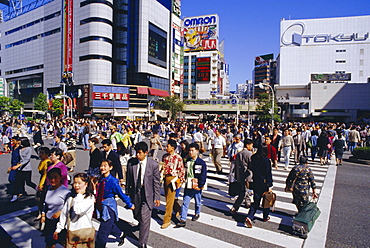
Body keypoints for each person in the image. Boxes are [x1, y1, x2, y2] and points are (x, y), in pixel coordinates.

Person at [126, 141, 160, 248]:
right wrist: (127, 193)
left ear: (146, 152)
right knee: (137, 214)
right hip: (135, 193)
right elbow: (128, 179)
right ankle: (139, 223)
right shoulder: (131, 163)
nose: (137, 155)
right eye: (136, 152)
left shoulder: (153, 164)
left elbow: (156, 182)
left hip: (148, 194)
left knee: (145, 218)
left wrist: (157, 197)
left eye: (140, 153)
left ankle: (142, 242)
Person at [95, 160, 134, 248]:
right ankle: (120, 234)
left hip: (108, 208)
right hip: (100, 205)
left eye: (105, 166)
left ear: (110, 167)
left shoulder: (113, 181)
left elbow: (121, 194)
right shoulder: (101, 178)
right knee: (109, 225)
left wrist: (130, 204)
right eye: (101, 166)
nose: (102, 168)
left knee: (102, 234)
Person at [54, 173, 95, 248]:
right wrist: (59, 228)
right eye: (75, 183)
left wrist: (79, 195)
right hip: (71, 232)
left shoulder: (89, 198)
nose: (76, 185)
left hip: (84, 232)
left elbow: (78, 211)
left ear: (86, 184)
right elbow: (64, 213)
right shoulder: (71, 197)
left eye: (79, 183)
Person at [176, 143, 207, 227]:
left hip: (197, 184)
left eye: (193, 150)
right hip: (188, 184)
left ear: (197, 151)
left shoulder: (201, 162)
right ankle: (183, 219)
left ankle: (197, 213)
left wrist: (201, 185)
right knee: (185, 201)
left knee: (198, 201)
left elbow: (203, 174)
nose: (191, 152)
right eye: (189, 150)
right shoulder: (187, 160)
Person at [41, 168, 70, 248]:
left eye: (55, 177)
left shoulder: (65, 192)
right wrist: (43, 214)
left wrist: (60, 212)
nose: (53, 180)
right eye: (50, 178)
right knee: (49, 242)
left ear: (60, 177)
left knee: (63, 242)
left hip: (60, 221)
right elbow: (45, 203)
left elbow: (69, 207)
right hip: (49, 220)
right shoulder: (48, 188)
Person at [245, 146, 273, 228]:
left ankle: (250, 216)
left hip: (256, 181)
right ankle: (265, 216)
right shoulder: (266, 160)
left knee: (256, 200)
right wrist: (270, 184)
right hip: (264, 183)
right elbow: (268, 173)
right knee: (266, 200)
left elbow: (250, 168)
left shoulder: (254, 158)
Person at [161, 139, 185, 229]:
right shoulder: (165, 156)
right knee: (168, 197)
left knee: (168, 201)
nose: (166, 147)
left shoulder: (178, 157)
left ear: (173, 147)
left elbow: (181, 170)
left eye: (168, 146)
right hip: (165, 177)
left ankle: (167, 220)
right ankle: (177, 208)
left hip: (173, 179)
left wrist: (180, 181)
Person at [10, 137, 37, 202]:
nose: (19, 142)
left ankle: (38, 189)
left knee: (28, 182)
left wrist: (18, 165)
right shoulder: (19, 148)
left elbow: (27, 159)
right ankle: (14, 195)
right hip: (20, 169)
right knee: (17, 182)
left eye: (20, 141)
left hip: (27, 168)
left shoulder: (28, 149)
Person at [230, 139, 253, 214]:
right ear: (247, 145)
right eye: (251, 145)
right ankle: (235, 207)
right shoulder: (249, 154)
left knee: (243, 190)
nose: (251, 147)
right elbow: (251, 165)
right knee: (243, 191)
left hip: (239, 175)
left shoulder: (239, 153)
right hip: (247, 175)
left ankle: (247, 202)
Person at [35, 147, 51, 221]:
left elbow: (44, 174)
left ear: (47, 155)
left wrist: (41, 185)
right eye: (40, 153)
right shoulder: (42, 161)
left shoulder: (46, 162)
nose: (40, 154)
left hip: (44, 182)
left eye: (42, 153)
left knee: (40, 198)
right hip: (42, 180)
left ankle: (42, 213)